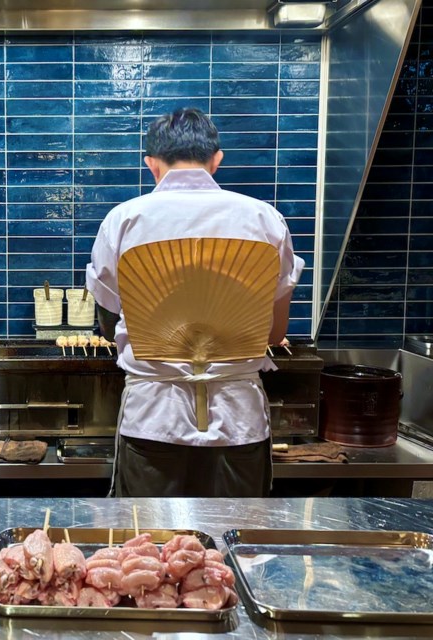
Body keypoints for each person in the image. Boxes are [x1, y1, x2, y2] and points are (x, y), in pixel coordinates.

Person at [85, 107, 305, 498]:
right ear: (216, 160)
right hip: (239, 420)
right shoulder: (265, 219)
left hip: (153, 416)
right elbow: (275, 332)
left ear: (151, 164)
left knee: (147, 550)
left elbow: (108, 321)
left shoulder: (123, 220)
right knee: (233, 547)